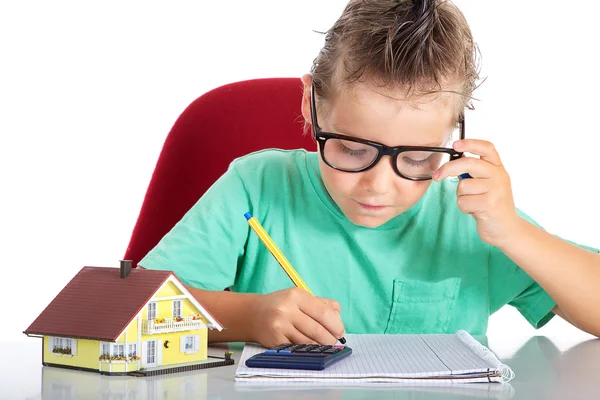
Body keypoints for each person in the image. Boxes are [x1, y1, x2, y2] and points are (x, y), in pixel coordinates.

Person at [139, 0, 599, 348]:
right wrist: (246, 318)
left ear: (454, 132)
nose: (378, 185)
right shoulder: (256, 188)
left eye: (418, 159)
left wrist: (514, 233)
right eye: (353, 149)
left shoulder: (468, 216)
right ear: (311, 105)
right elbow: (133, 310)